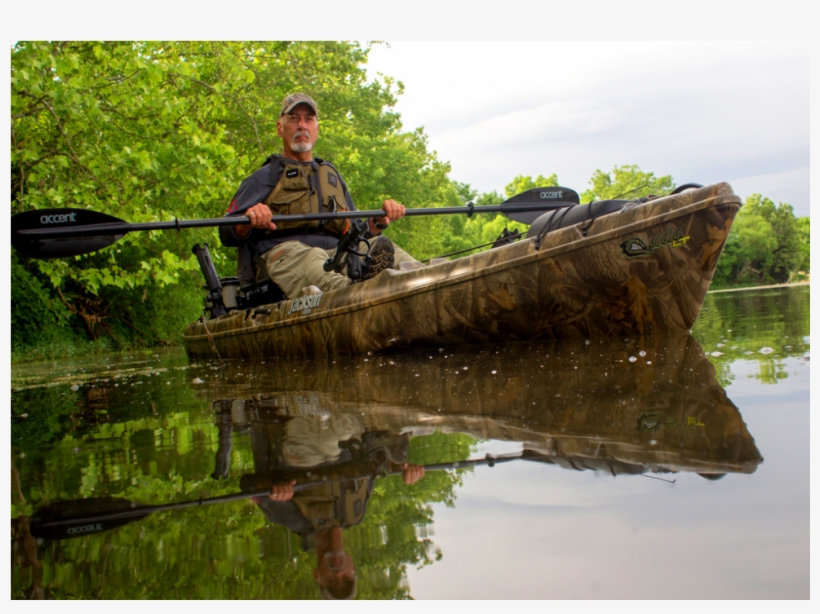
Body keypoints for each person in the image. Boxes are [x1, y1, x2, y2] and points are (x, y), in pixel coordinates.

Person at [220, 93, 421, 298]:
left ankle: (433, 280)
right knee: (314, 260)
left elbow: (357, 231)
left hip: (338, 253)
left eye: (308, 119)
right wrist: (249, 218)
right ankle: (361, 292)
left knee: (387, 250)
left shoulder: (331, 177)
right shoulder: (263, 178)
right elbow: (226, 230)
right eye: (293, 118)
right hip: (287, 256)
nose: (301, 125)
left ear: (317, 129)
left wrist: (378, 222)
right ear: (280, 128)